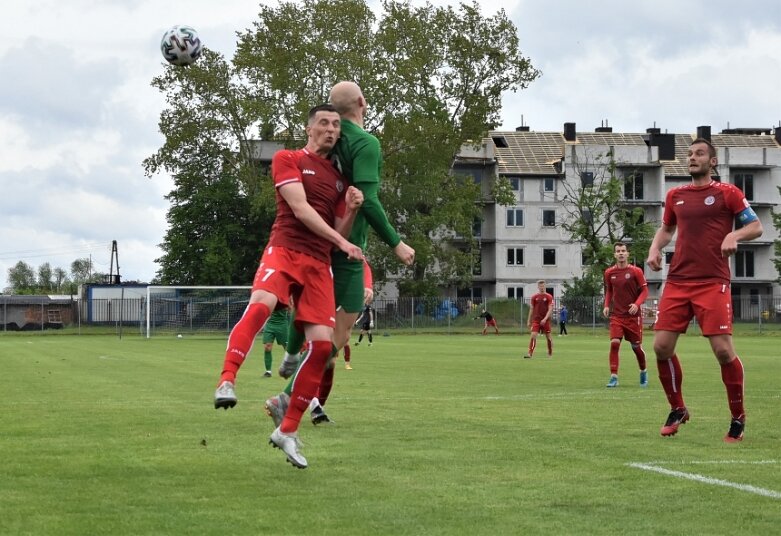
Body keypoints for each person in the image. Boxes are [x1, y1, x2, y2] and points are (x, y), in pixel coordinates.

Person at [213, 104, 364, 468]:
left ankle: (288, 430)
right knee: (262, 303)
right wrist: (343, 242)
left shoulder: (340, 180)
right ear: (309, 129)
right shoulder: (288, 158)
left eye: (336, 126)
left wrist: (353, 211)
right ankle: (227, 380)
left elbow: (334, 235)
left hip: (318, 264)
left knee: (323, 345)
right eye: (324, 123)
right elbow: (300, 209)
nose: (331, 130)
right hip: (284, 249)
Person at [269, 81, 415, 424]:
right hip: (346, 242)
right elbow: (369, 200)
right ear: (363, 102)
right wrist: (396, 242)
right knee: (343, 329)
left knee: (310, 309)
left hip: (313, 239)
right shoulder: (365, 142)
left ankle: (291, 356)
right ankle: (286, 397)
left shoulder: (330, 134)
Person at [647, 137, 762, 442]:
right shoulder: (675, 195)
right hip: (679, 281)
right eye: (689, 154)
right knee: (660, 347)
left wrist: (734, 235)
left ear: (712, 162)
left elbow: (756, 226)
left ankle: (738, 418)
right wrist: (655, 248)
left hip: (713, 282)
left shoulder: (728, 193)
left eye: (699, 154)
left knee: (723, 351)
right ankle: (678, 409)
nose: (692, 158)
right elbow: (667, 228)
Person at [602, 242, 649, 388]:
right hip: (617, 315)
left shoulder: (636, 271)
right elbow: (609, 291)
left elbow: (645, 291)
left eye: (623, 251)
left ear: (628, 254)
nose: (621, 253)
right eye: (618, 251)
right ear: (614, 254)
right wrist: (606, 305)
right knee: (614, 343)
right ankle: (614, 376)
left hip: (633, 317)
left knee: (636, 347)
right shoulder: (609, 273)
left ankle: (643, 371)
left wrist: (636, 304)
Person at [524, 280, 553, 358]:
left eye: (543, 286)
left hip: (545, 321)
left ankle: (550, 352)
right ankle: (530, 353)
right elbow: (531, 309)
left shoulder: (549, 297)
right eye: (540, 286)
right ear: (538, 287)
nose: (542, 287)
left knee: (549, 338)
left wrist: (545, 319)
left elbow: (550, 309)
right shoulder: (534, 297)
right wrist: (528, 320)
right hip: (536, 320)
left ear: (545, 286)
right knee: (533, 336)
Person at [260, 308, 290, 377]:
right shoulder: (269, 297)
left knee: (287, 348)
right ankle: (268, 371)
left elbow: (291, 309)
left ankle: (294, 367)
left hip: (282, 325)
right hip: (270, 324)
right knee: (267, 347)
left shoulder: (285, 298)